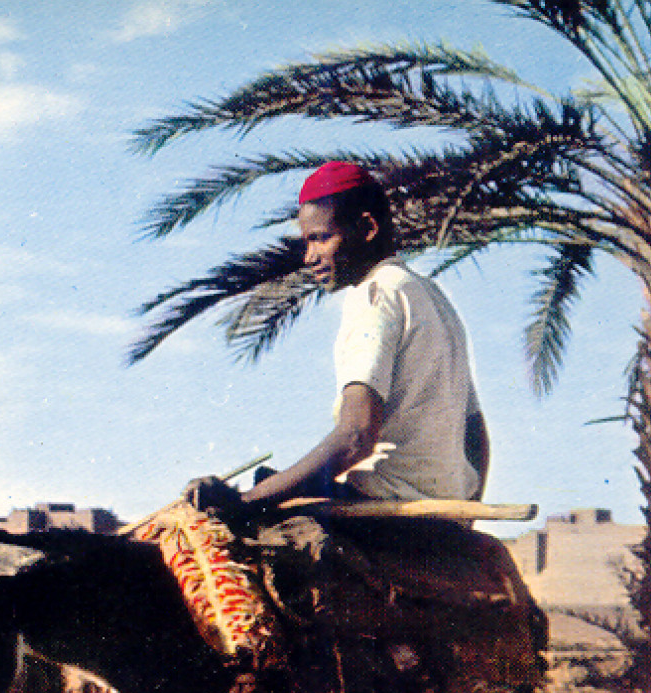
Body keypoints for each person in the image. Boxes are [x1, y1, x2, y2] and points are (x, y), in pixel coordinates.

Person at [187, 161, 488, 517]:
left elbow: (356, 437)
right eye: (307, 242)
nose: (310, 257)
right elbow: (476, 437)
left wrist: (248, 503)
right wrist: (465, 513)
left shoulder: (375, 294)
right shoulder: (433, 297)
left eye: (320, 238)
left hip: (383, 505)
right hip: (444, 509)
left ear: (367, 228)